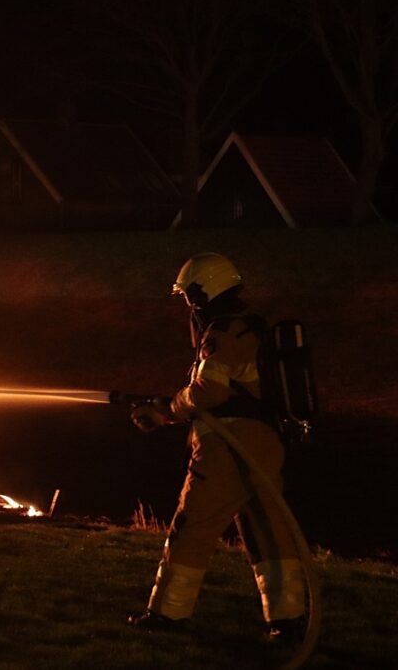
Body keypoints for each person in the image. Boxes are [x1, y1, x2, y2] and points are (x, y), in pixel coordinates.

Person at [126, 253, 305, 642]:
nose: (189, 306)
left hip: (229, 446)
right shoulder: (248, 329)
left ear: (203, 293)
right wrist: (167, 408)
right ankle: (289, 619)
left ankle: (168, 615)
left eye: (190, 296)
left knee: (192, 526)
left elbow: (211, 390)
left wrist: (166, 412)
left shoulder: (222, 333)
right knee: (267, 531)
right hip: (262, 443)